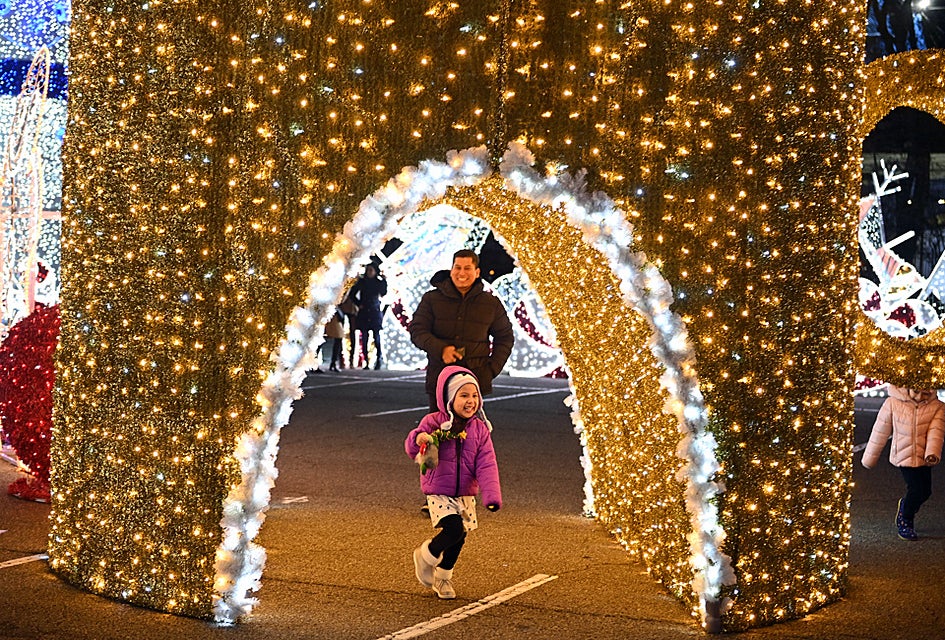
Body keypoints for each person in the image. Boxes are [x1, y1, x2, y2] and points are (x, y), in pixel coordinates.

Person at [404, 365, 502, 599]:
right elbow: (412, 449)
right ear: (449, 398)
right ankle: (426, 555)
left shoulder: (479, 429)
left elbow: (487, 464)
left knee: (460, 537)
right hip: (439, 489)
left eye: (475, 395)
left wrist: (492, 496)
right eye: (464, 395)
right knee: (453, 528)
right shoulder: (433, 422)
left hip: (465, 492)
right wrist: (419, 438)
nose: (471, 401)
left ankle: (443, 577)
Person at [409, 249, 514, 413]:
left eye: (467, 268)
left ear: (477, 272)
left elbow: (505, 337)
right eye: (457, 267)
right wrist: (441, 349)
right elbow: (417, 330)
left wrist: (492, 369)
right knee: (439, 427)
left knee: (471, 429)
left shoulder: (491, 303)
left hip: (474, 380)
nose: (461, 273)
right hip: (440, 378)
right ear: (451, 270)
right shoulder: (431, 299)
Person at [862, 385, 945, 541]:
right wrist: (869, 458)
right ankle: (905, 519)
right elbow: (880, 431)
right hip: (902, 454)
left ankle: (905, 505)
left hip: (924, 457)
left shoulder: (937, 406)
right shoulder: (893, 403)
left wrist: (932, 453)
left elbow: (936, 432)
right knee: (916, 488)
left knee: (925, 492)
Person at [348, 264, 388, 369]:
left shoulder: (378, 282)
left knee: (376, 336)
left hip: (374, 310)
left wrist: (384, 281)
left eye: (371, 270)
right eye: (368, 270)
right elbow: (352, 294)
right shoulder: (362, 282)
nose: (369, 272)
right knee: (364, 337)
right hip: (364, 310)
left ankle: (378, 359)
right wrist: (358, 304)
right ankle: (366, 360)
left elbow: (383, 293)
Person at [325, 306, 346, 371]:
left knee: (338, 339)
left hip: (331, 314)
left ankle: (333, 362)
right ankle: (333, 363)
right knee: (338, 338)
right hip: (330, 314)